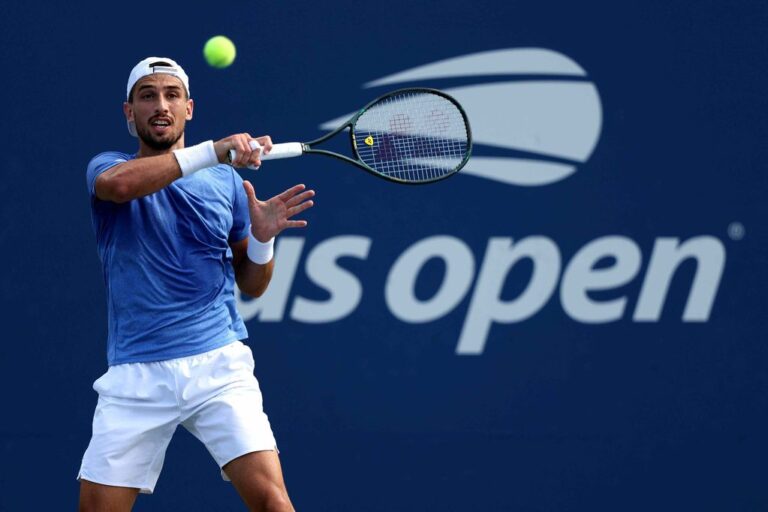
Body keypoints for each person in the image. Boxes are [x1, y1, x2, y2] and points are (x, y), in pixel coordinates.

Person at [78, 56, 312, 511]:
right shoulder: (107, 168)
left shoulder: (226, 183)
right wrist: (212, 150)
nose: (160, 105)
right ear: (129, 112)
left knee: (272, 502)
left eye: (172, 95)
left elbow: (253, 285)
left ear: (189, 108)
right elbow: (120, 188)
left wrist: (261, 241)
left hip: (218, 366)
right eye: (147, 96)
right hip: (136, 373)